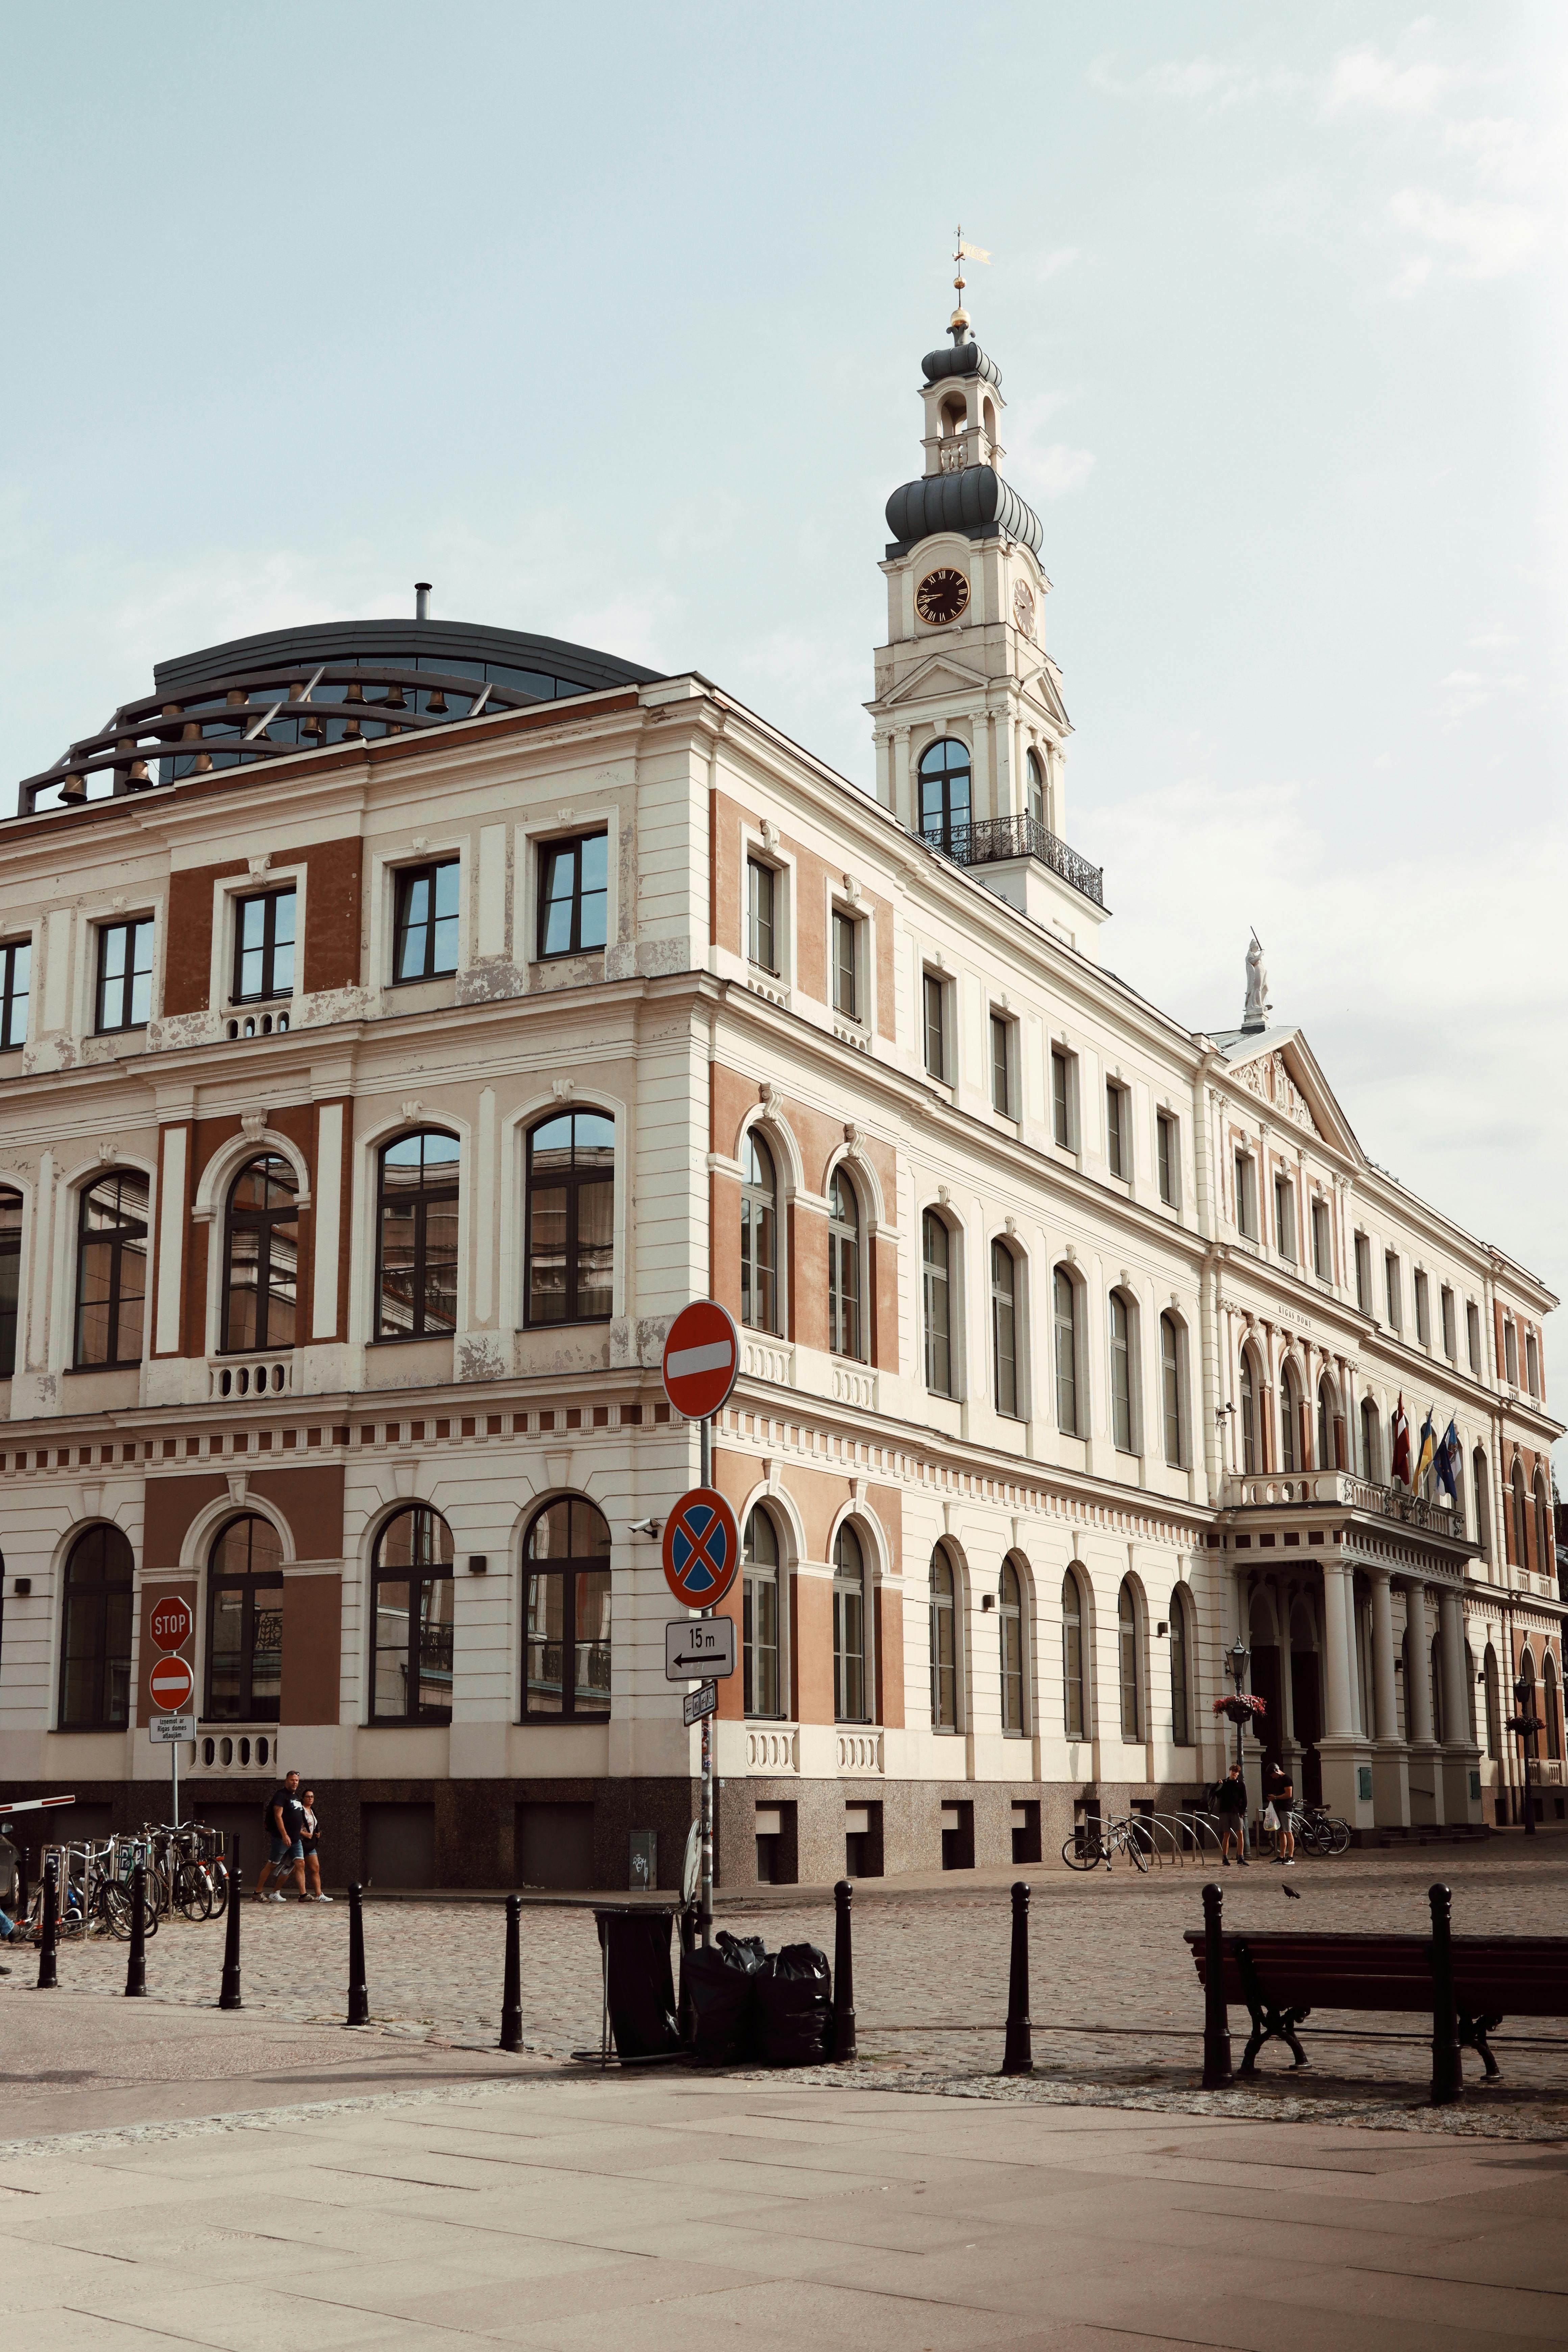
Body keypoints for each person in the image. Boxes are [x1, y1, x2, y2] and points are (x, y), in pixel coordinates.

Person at [254, 1770, 307, 1904]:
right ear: (286, 1781)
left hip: (296, 1839)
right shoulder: (281, 1796)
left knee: (300, 1863)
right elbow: (278, 1816)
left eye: (297, 1780)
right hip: (282, 1838)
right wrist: (284, 1835)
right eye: (292, 1780)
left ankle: (303, 1895)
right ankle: (258, 1892)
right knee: (272, 1864)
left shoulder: (296, 1797)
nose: (295, 1783)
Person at [297, 1789, 333, 1903]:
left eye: (312, 1797)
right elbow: (292, 1826)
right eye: (308, 1797)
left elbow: (314, 1825)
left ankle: (319, 1894)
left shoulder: (312, 1810)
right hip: (300, 1843)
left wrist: (317, 1833)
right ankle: (276, 1891)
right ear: (303, 1798)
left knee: (315, 1868)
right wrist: (303, 1834)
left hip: (310, 1844)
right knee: (292, 1870)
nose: (311, 1799)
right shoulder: (299, 1810)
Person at [1264, 1755, 1296, 1865]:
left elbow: (1289, 1794)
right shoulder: (1277, 1781)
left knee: (1288, 1832)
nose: (1273, 1777)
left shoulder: (1287, 1779)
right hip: (1278, 1808)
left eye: (1273, 1775)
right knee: (1281, 1833)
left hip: (1286, 1809)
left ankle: (1291, 1856)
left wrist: (1276, 1798)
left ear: (1277, 1771)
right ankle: (1282, 1856)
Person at [1215, 1762, 1249, 1865]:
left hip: (1236, 1812)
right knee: (1226, 1834)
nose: (1234, 1773)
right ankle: (1225, 1858)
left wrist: (1242, 1812)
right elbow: (1217, 1795)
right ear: (1230, 1772)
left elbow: (1245, 1799)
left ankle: (1241, 1857)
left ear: (1238, 1773)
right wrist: (1219, 1785)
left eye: (1236, 1772)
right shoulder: (1224, 1783)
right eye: (1233, 1771)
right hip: (1225, 1811)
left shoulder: (1241, 1784)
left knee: (1240, 1833)